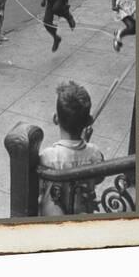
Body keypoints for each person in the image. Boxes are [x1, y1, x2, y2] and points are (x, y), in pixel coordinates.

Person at [38, 81, 104, 215]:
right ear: (89, 121)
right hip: (83, 213)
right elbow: (99, 178)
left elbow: (39, 187)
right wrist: (85, 143)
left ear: (55, 119)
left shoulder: (47, 157)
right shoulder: (95, 154)